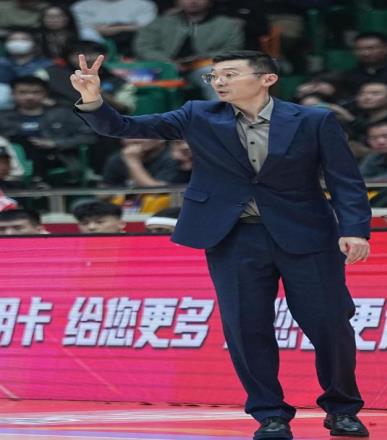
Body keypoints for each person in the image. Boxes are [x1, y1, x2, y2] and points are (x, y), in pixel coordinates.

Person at [71, 50, 371, 439]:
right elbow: (124, 127)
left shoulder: (314, 120)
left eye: (229, 74)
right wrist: (93, 98)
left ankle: (342, 408)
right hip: (234, 235)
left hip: (306, 233)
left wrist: (355, 229)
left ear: (266, 79)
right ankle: (270, 415)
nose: (219, 82)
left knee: (330, 323)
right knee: (246, 327)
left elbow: (345, 179)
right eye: (214, 76)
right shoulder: (198, 114)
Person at [133, 0, 244, 99]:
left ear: (210, 2)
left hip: (202, 67)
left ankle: (224, 114)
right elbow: (144, 47)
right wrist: (168, 62)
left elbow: (232, 50)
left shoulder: (227, 25)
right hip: (162, 68)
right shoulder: (160, 23)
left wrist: (199, 60)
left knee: (213, 76)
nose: (193, 1)